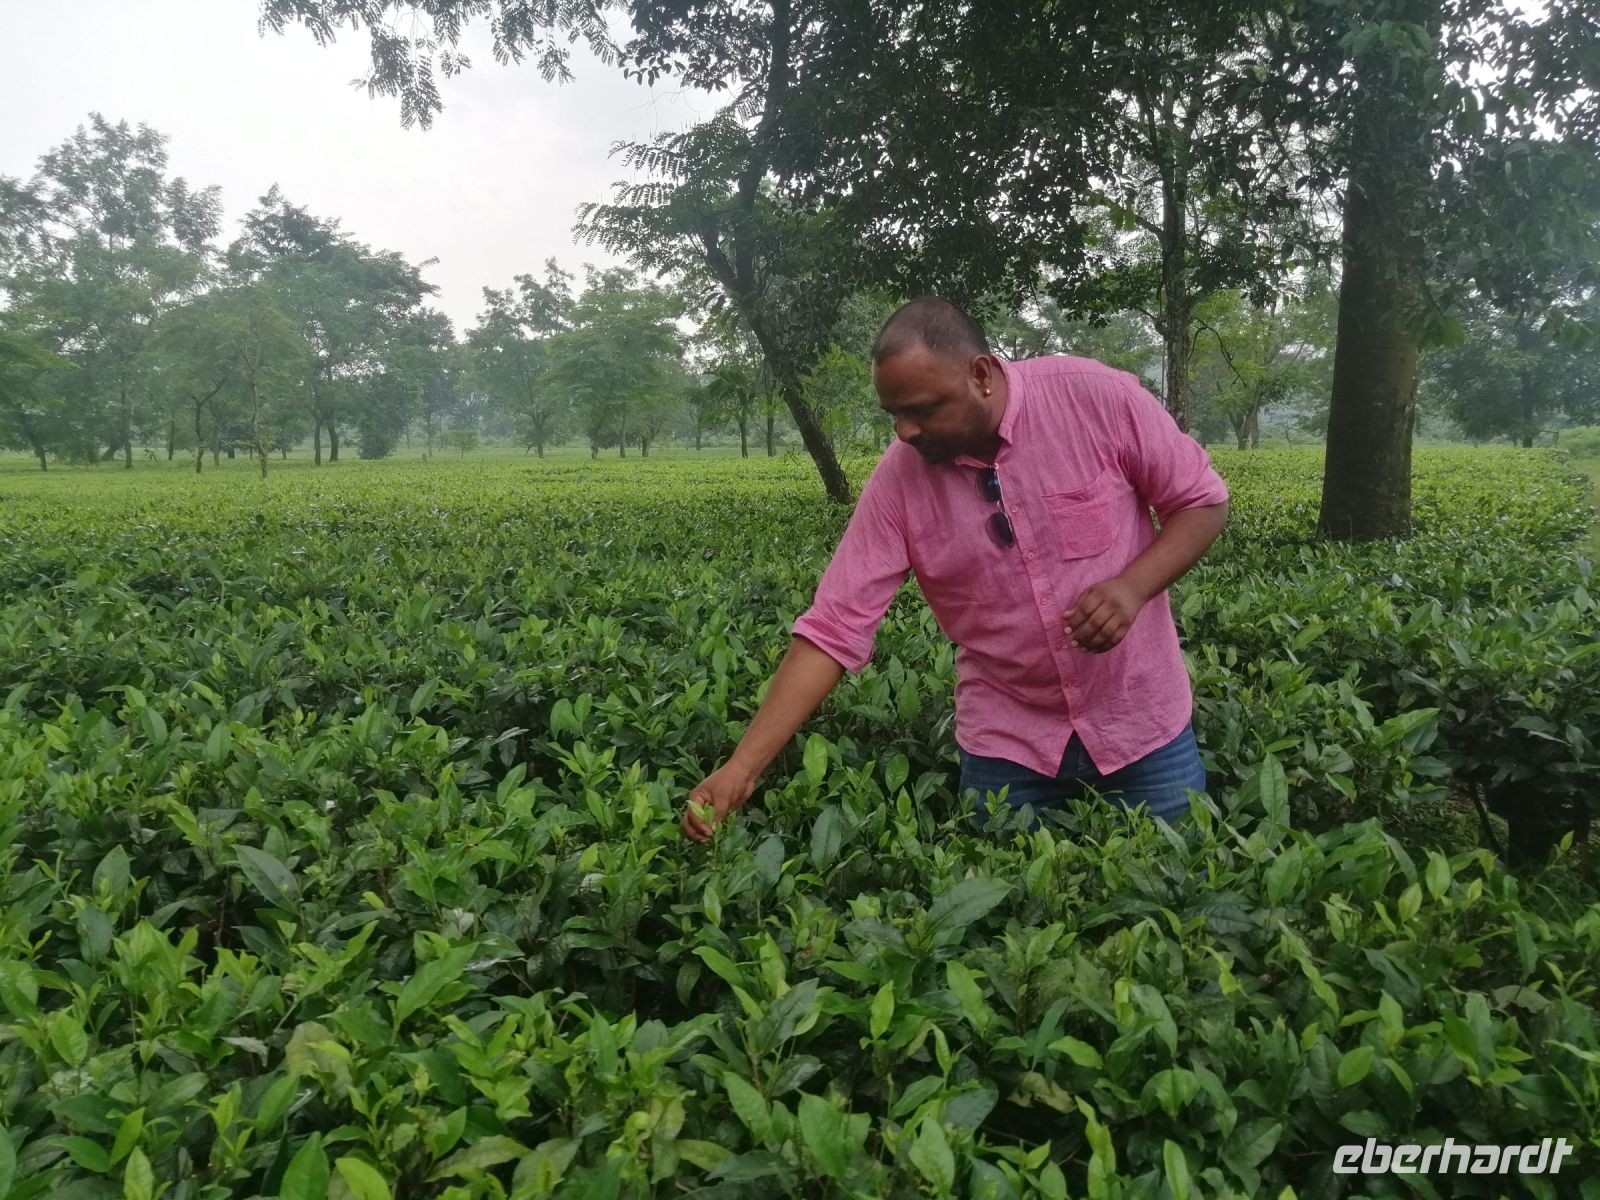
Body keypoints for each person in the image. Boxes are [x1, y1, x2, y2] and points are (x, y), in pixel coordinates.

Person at [681, 297, 1229, 841]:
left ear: (981, 374)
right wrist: (742, 768)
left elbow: (1202, 501)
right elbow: (833, 629)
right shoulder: (899, 483)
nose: (905, 432)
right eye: (894, 414)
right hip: (1007, 745)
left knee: (1174, 892)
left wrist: (1133, 587)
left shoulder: (1096, 399)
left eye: (923, 409)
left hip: (1143, 727)